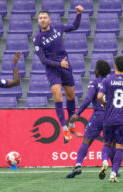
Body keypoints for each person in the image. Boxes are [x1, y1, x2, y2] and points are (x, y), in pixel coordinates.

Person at [33, 6, 84, 141]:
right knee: (58, 97)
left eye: (44, 17)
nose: (42, 20)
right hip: (52, 69)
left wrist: (78, 14)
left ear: (49, 19)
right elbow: (43, 60)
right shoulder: (37, 38)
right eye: (40, 18)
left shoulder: (58, 28)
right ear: (38, 21)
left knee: (71, 96)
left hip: (65, 66)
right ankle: (65, 129)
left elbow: (74, 26)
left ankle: (72, 125)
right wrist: (58, 64)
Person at [66, 60, 112, 178]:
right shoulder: (111, 82)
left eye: (96, 68)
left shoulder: (95, 83)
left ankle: (78, 165)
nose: (94, 70)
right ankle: (114, 168)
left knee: (86, 141)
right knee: (110, 143)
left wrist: (78, 113)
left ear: (98, 70)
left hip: (98, 116)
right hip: (111, 116)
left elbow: (88, 99)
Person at [97, 56, 123, 182]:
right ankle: (113, 174)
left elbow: (99, 96)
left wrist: (105, 103)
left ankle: (105, 161)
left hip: (109, 118)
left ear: (114, 66)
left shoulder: (107, 80)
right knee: (120, 147)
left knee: (107, 144)